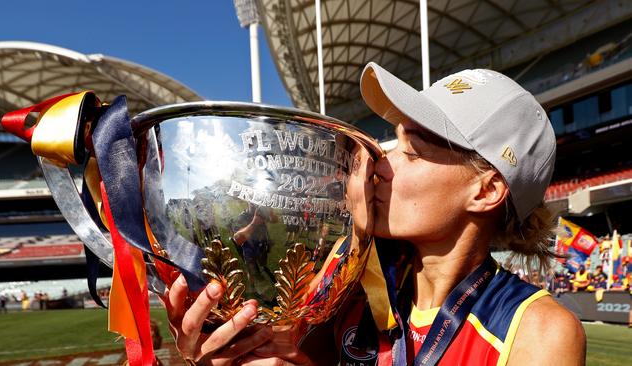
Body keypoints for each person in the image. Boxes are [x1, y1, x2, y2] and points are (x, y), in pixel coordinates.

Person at [164, 63, 585, 365]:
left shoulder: (538, 332)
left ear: (486, 190)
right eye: (392, 144)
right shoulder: (350, 287)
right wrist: (228, 350)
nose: (380, 165)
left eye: (413, 153)